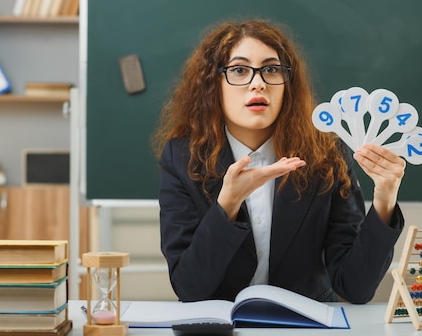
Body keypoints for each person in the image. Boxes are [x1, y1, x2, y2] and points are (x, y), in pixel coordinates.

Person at [151, 19, 406, 303]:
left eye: (271, 69)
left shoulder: (327, 154)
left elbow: (354, 287)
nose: (258, 83)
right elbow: (189, 287)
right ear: (214, 84)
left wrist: (385, 199)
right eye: (239, 70)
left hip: (306, 334)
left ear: (288, 85)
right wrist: (228, 204)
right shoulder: (182, 158)